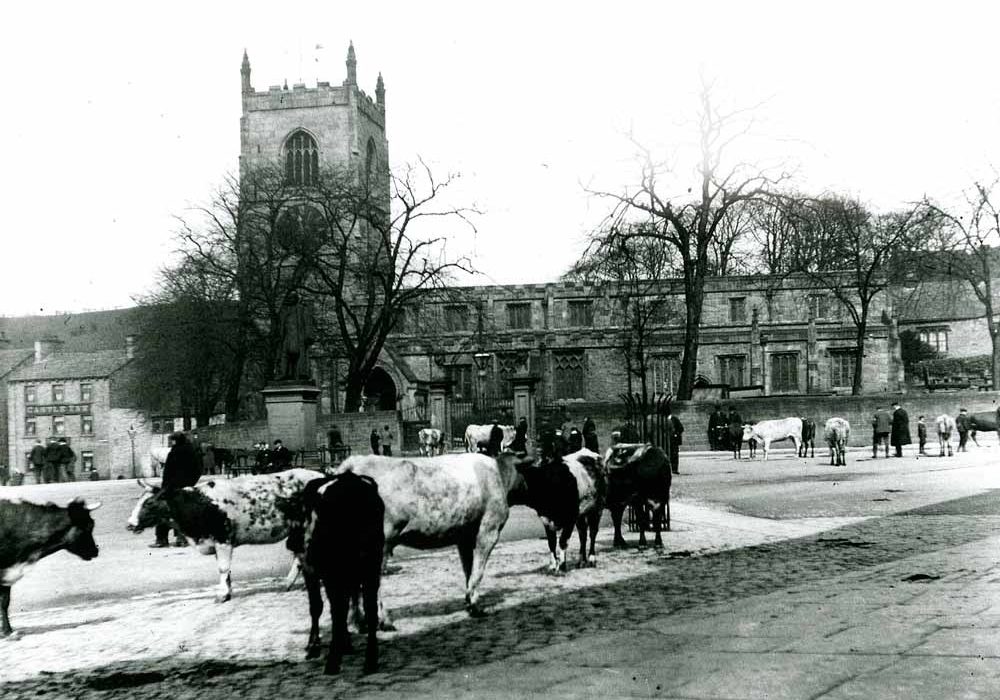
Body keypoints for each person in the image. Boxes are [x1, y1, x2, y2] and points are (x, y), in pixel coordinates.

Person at [153, 432, 202, 548]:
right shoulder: (191, 451)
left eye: (171, 440)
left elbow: (169, 472)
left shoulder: (175, 452)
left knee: (164, 511)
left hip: (172, 487)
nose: (170, 443)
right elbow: (198, 469)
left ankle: (162, 539)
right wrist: (190, 483)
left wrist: (168, 485)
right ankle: (183, 538)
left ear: (175, 440)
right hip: (185, 487)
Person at [668, 411, 684, 475]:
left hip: (674, 440)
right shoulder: (663, 419)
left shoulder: (674, 419)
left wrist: (676, 434)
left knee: (674, 454)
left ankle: (674, 469)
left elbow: (681, 428)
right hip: (667, 439)